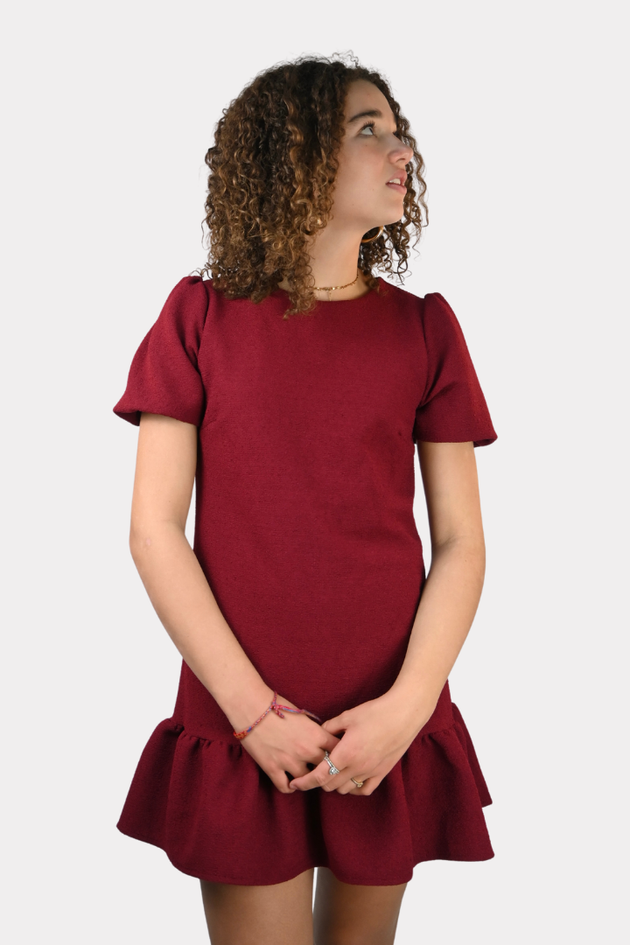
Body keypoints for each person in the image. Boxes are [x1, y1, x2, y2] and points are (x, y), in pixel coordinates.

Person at [112, 53, 498, 945]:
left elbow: (461, 542)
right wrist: (253, 714)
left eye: (399, 131)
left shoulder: (425, 329)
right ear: (295, 153)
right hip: (242, 715)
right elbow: (154, 531)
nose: (401, 150)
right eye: (369, 130)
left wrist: (407, 709)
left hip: (386, 718)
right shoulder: (199, 317)